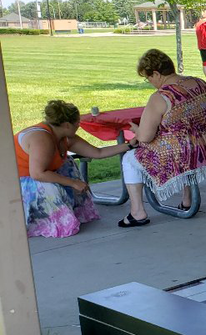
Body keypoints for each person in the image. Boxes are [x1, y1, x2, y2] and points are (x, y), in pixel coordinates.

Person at [119, 49, 206, 227]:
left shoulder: (160, 97)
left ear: (157, 74)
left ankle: (137, 212)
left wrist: (136, 130)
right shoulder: (199, 83)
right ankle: (187, 199)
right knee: (183, 149)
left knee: (129, 159)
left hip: (181, 154)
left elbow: (144, 137)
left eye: (148, 78)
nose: (150, 82)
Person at [15, 100, 130, 238]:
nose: (78, 126)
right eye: (77, 123)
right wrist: (73, 183)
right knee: (51, 185)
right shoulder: (41, 138)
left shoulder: (65, 136)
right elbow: (38, 173)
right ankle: (45, 220)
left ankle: (71, 209)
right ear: (67, 124)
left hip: (41, 173)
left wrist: (128, 146)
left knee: (67, 165)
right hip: (21, 181)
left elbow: (97, 153)